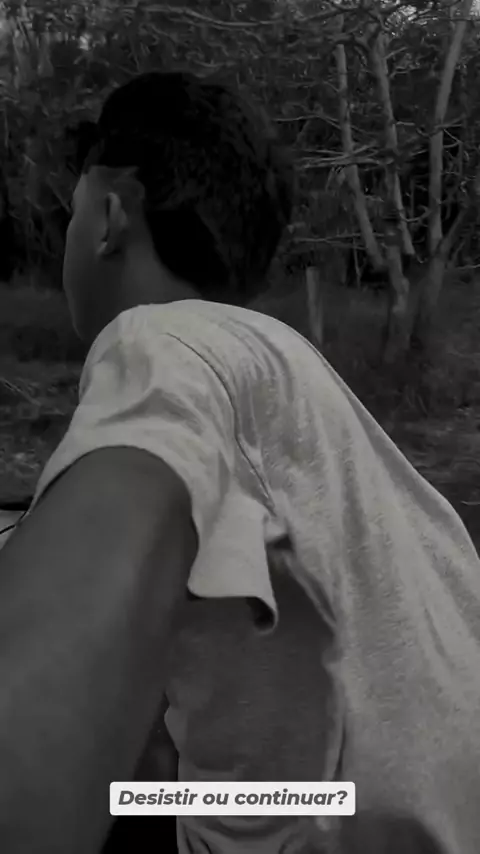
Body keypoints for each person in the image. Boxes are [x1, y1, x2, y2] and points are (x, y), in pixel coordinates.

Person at [0, 71, 480, 854]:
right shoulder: (292, 370)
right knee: (145, 773)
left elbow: (51, 668)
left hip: (327, 826)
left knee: (125, 791)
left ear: (110, 219)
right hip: (407, 813)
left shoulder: (161, 340)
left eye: (73, 212)